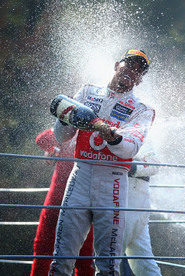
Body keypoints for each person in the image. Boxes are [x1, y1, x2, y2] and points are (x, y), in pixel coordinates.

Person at [49, 49, 155, 275]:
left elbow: (129, 149)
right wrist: (66, 117)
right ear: (117, 65)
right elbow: (62, 136)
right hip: (81, 174)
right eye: (129, 65)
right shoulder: (87, 92)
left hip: (114, 183)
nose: (132, 71)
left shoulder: (143, 109)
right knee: (61, 260)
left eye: (139, 70)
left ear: (140, 79)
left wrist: (109, 133)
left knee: (108, 266)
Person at [31, 129, 94, 276]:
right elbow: (41, 138)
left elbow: (42, 138)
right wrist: (54, 148)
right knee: (45, 248)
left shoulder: (75, 132)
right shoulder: (72, 130)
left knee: (83, 254)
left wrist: (53, 148)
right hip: (66, 200)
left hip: (73, 201)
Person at [121, 141, 162, 275]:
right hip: (131, 208)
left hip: (130, 209)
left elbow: (154, 164)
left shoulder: (140, 138)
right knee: (144, 263)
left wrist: (128, 167)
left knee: (109, 259)